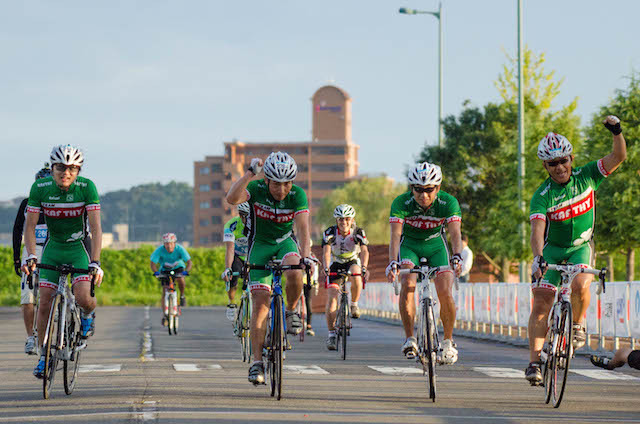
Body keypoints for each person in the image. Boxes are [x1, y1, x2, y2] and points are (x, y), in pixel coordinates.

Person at [525, 116, 627, 385]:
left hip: (581, 247)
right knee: (541, 304)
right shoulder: (542, 194)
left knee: (582, 281)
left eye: (563, 160)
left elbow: (619, 156)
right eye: (552, 163)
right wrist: (538, 259)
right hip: (553, 251)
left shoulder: (588, 175)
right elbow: (537, 232)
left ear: (571, 158)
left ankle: (579, 325)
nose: (560, 168)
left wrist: (616, 132)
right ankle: (534, 363)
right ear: (545, 166)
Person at [225, 151, 312, 385]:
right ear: (267, 180)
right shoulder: (257, 189)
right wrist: (249, 173)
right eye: (276, 184)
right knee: (261, 305)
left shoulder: (297, 195)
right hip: (260, 244)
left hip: (285, 241)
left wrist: (307, 256)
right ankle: (256, 362)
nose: (282, 190)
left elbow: (303, 230)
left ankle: (291, 311)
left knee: (295, 269)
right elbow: (232, 199)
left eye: (287, 184)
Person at [22, 145, 104, 379]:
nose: (65, 173)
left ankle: (87, 315)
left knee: (83, 298)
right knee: (45, 301)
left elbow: (96, 228)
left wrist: (95, 261)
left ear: (78, 170)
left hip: (78, 248)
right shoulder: (40, 188)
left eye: (71, 168)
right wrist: (30, 255)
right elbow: (29, 225)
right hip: (53, 248)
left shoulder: (86, 187)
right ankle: (43, 356)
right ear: (52, 168)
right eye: (60, 168)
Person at [386, 162, 463, 365]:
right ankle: (410, 338)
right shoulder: (401, 203)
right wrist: (392, 262)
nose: (424, 196)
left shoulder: (449, 202)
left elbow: (455, 233)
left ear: (438, 188)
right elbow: (395, 236)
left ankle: (448, 341)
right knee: (408, 284)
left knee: (445, 290)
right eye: (418, 190)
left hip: (436, 246)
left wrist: (457, 255)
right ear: (411, 188)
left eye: (429, 190)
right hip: (409, 246)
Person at [13, 164, 51, 355]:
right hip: (31, 249)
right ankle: (30, 337)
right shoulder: (27, 203)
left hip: (52, 248)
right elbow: (17, 230)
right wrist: (16, 259)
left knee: (51, 293)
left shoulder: (57, 204)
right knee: (27, 295)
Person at [322, 203, 370, 350]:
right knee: (332, 298)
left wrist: (364, 268)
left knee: (356, 273)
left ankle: (354, 304)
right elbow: (326, 251)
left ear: (352, 219)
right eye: (341, 219)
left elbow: (364, 251)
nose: (344, 222)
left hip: (352, 261)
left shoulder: (357, 232)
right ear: (336, 220)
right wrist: (325, 267)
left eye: (347, 219)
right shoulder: (330, 232)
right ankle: (331, 335)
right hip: (336, 263)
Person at [150, 232, 192, 325]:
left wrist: (186, 271)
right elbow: (152, 263)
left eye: (171, 243)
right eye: (166, 243)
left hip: (178, 268)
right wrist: (156, 272)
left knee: (181, 279)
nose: (169, 246)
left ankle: (182, 295)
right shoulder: (160, 250)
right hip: (165, 269)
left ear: (174, 243)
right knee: (165, 291)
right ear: (164, 244)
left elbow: (189, 262)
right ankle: (165, 314)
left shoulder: (180, 249)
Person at [221, 202, 250, 321]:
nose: (246, 219)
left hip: (252, 256)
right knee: (233, 275)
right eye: (244, 216)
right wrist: (228, 268)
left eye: (249, 216)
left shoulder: (257, 224)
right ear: (240, 215)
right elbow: (230, 249)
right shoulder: (231, 225)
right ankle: (232, 303)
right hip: (237, 256)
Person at [303, 246, 319, 336]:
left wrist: (315, 282)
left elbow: (315, 270)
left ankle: (309, 325)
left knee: (308, 302)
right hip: (298, 281)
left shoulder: (312, 256)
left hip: (308, 282)